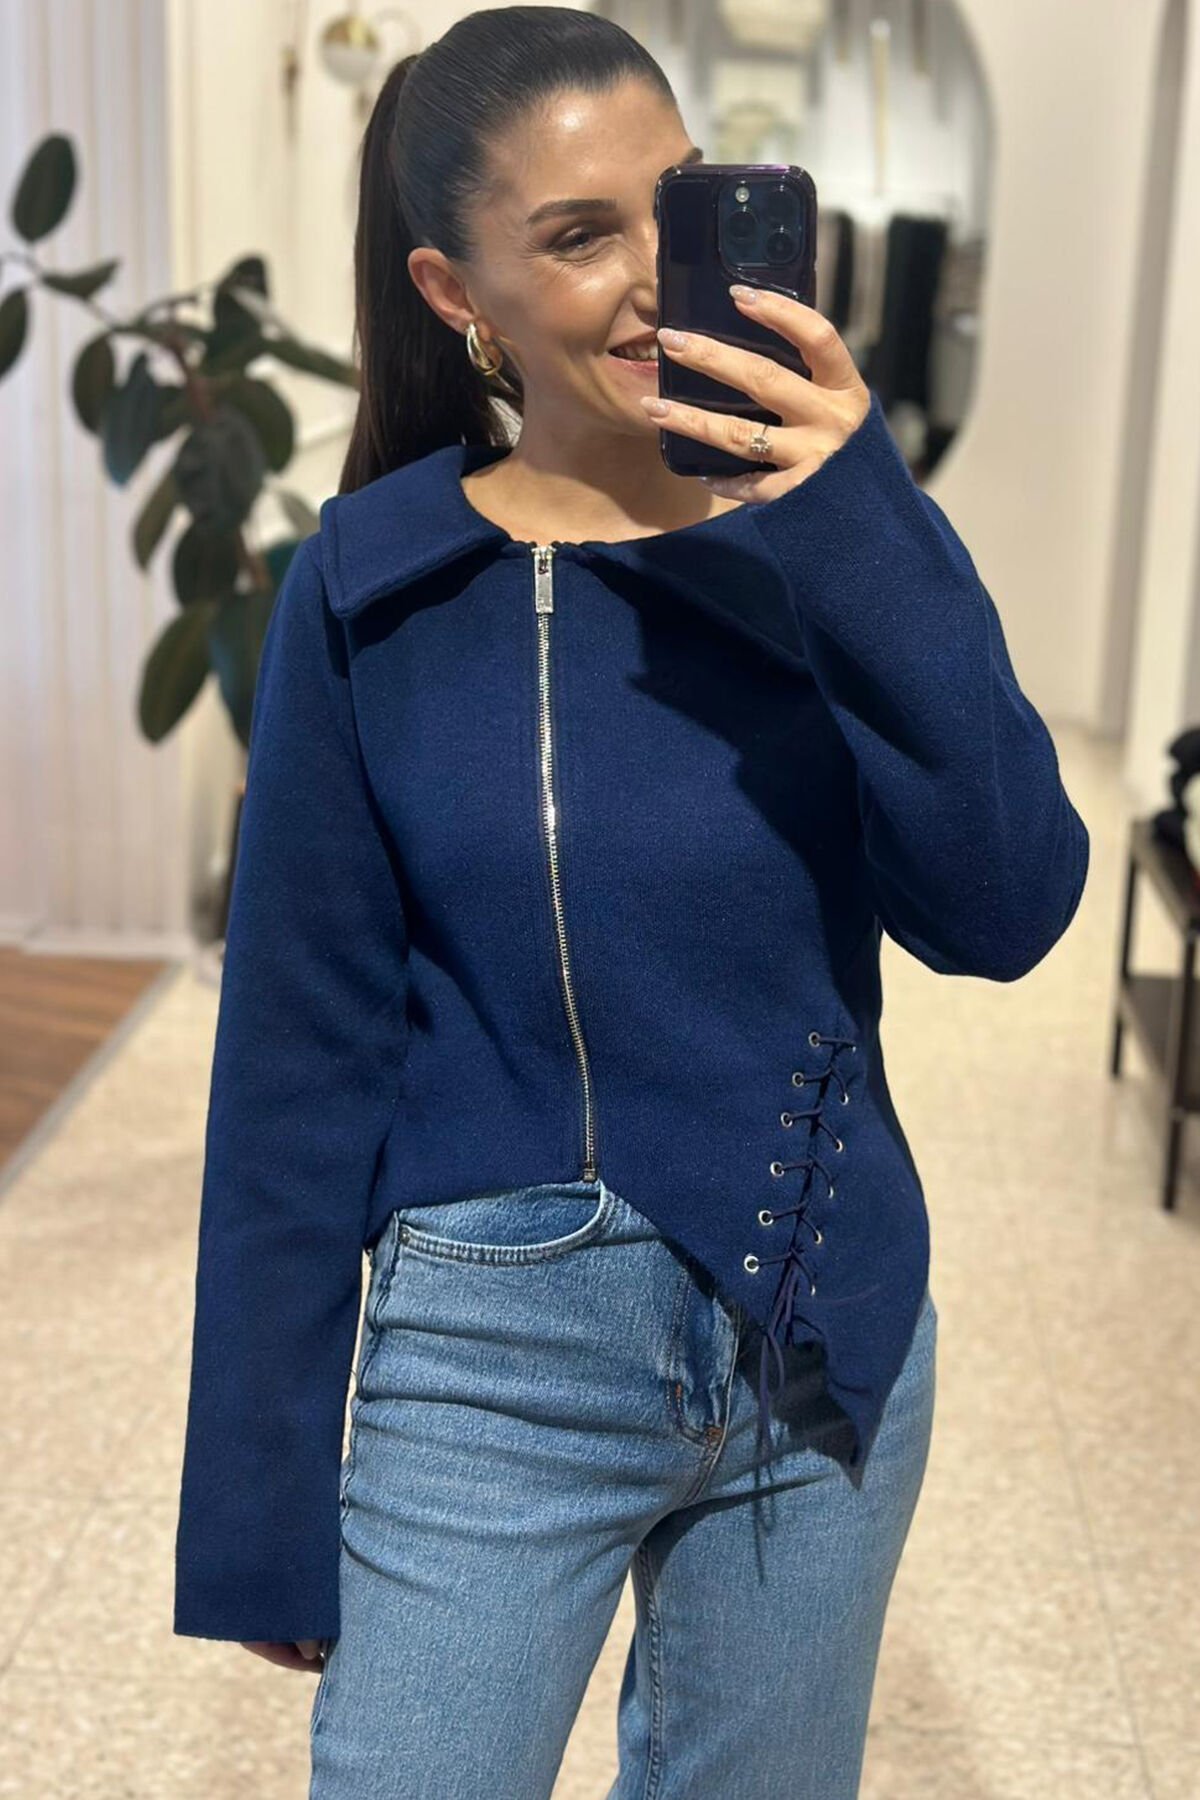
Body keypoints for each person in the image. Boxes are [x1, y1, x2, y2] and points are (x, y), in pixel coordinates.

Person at [172, 8, 1090, 1797]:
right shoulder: (376, 588)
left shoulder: (827, 541)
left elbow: (1008, 907)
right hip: (488, 1365)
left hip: (819, 1333)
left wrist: (860, 515)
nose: (659, 275)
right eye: (582, 235)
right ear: (458, 292)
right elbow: (295, 1059)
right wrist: (260, 1488)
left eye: (675, 202)